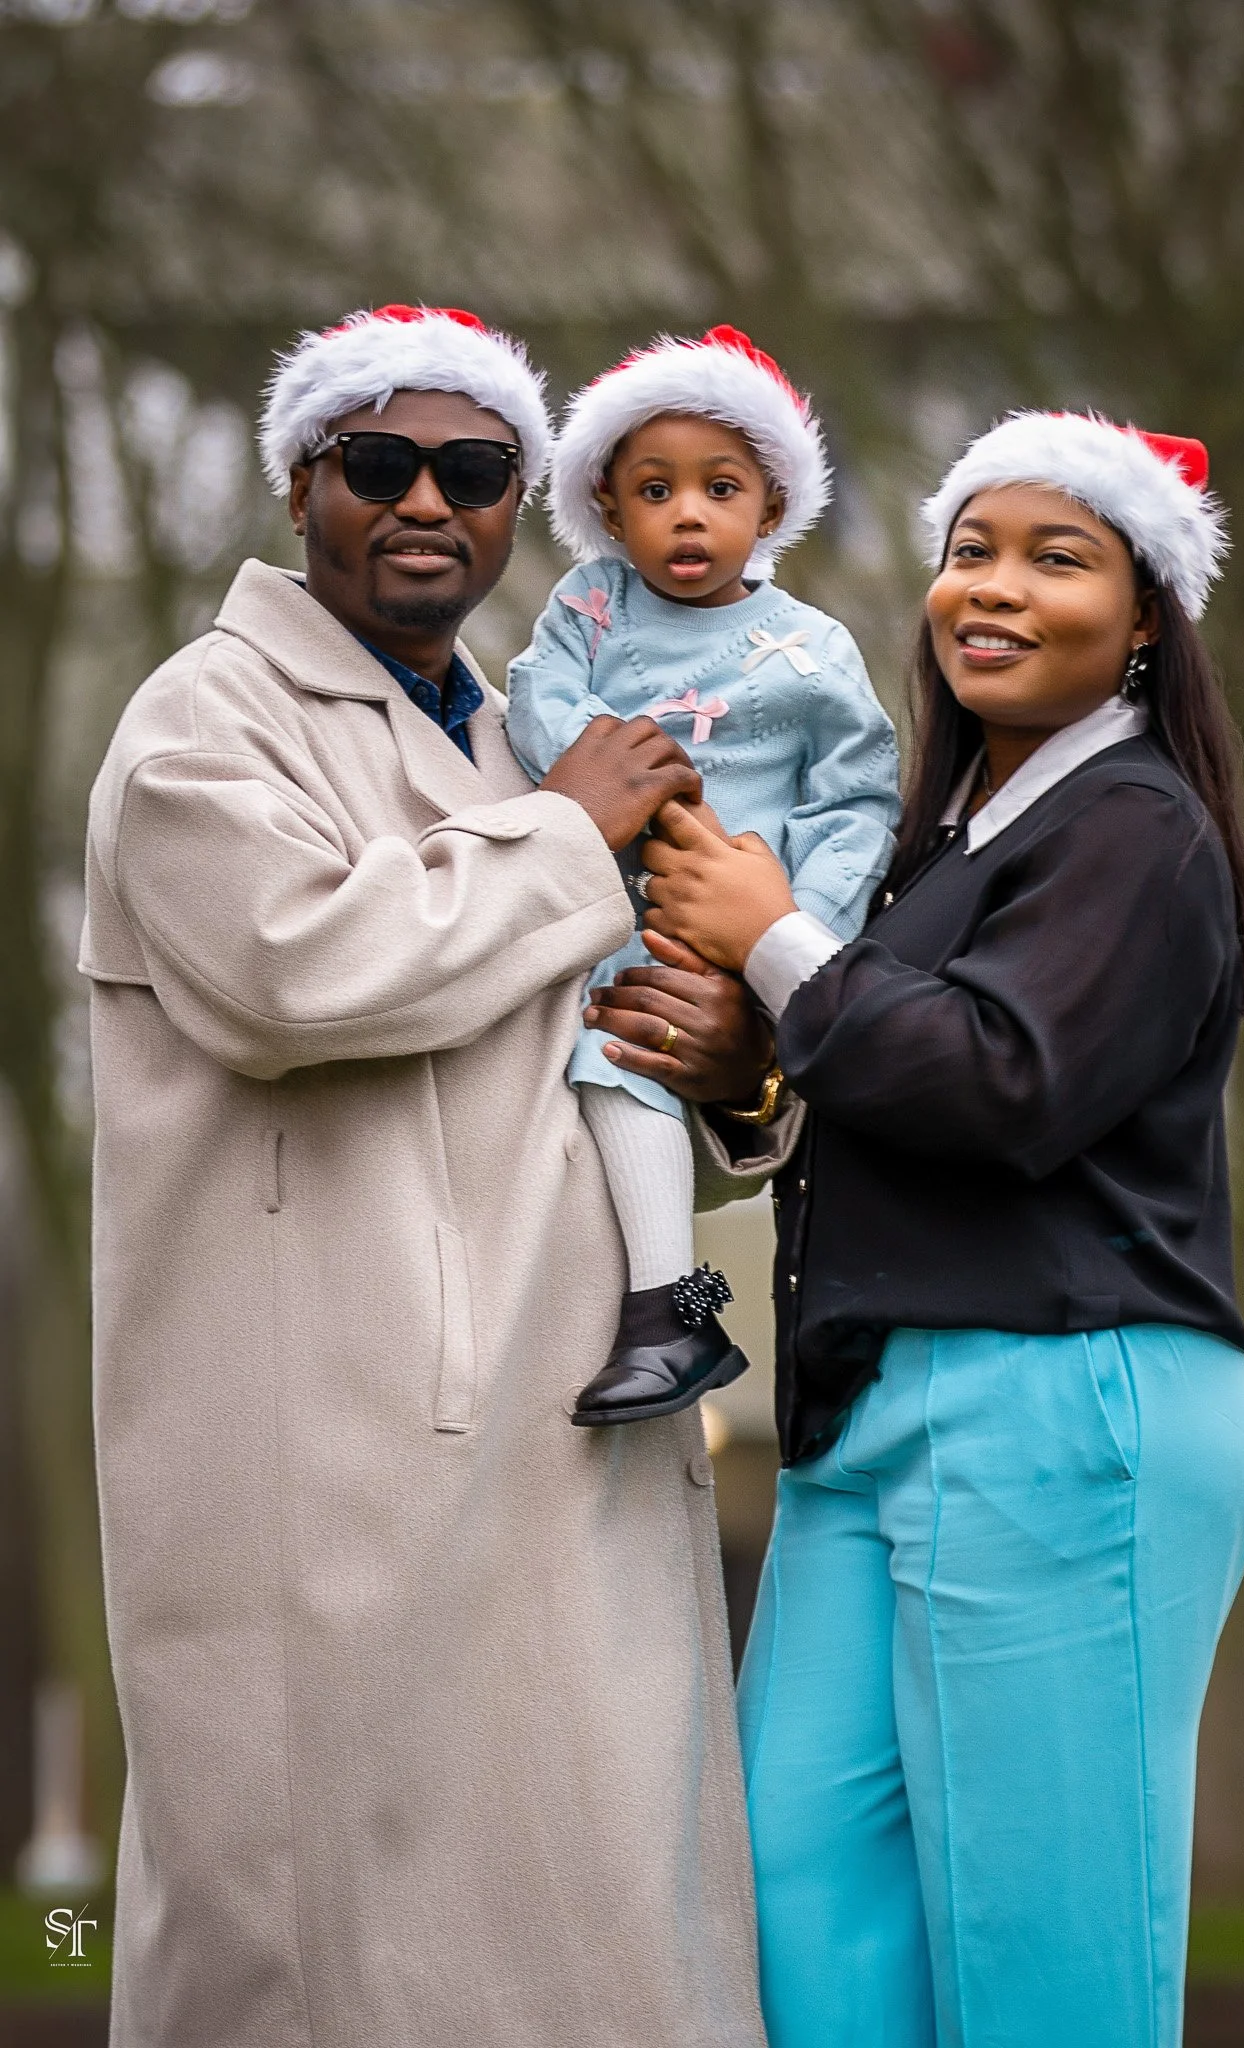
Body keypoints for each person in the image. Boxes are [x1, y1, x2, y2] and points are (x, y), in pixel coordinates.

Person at [81, 303, 791, 2048]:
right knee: (331, 1955)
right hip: (329, 1467)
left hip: (569, 1440)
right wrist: (569, 828)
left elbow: (555, 1072)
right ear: (300, 481)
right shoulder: (203, 723)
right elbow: (290, 974)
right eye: (375, 461)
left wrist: (732, 1079)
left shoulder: (522, 729)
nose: (426, 501)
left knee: (602, 1943)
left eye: (474, 471)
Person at [596, 411, 1244, 2048]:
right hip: (872, 1414)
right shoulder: (947, 837)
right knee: (794, 1896)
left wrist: (772, 944)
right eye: (972, 549)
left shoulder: (1138, 827)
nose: (993, 588)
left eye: (1059, 557)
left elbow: (1006, 1079)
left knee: (1046, 1964)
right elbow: (890, 1068)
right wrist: (761, 1055)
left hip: (1069, 1402)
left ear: (1143, 621)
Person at [506, 326, 900, 1427]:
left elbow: (858, 795)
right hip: (609, 909)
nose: (688, 513)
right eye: (654, 489)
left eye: (720, 488)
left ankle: (675, 1308)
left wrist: (791, 932)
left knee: (667, 1085)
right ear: (609, 509)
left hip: (741, 926)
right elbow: (538, 697)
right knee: (611, 1064)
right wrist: (618, 770)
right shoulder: (592, 609)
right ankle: (673, 1307)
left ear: (769, 511)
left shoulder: (812, 645)